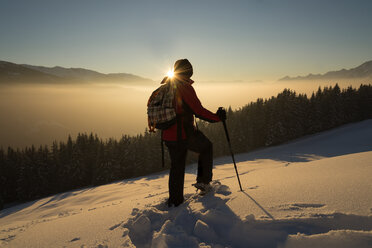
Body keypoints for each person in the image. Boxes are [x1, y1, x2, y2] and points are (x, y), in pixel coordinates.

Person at [162, 59, 226, 207]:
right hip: (184, 133)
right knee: (206, 147)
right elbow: (198, 111)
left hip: (168, 135)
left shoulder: (167, 87)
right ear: (188, 71)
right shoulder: (184, 87)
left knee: (176, 167)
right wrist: (218, 118)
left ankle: (175, 201)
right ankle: (203, 183)